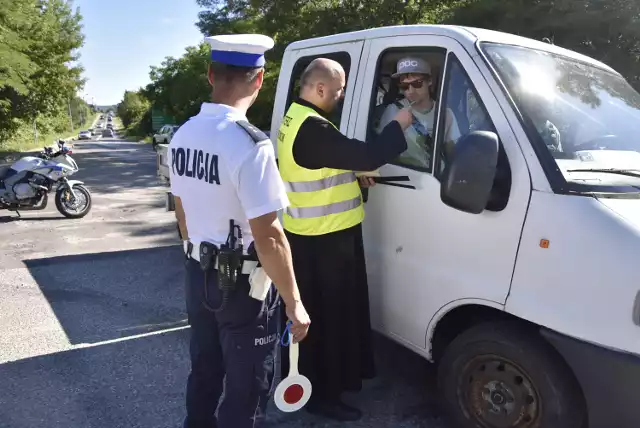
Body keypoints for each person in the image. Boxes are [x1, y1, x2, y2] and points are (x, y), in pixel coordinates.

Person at [169, 33, 311, 428]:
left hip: (197, 273)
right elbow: (268, 236)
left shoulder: (183, 135)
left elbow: (181, 210)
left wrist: (198, 256)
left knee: (205, 368)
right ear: (260, 79)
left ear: (211, 74)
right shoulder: (251, 145)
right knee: (246, 387)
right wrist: (293, 301)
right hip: (244, 287)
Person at [276, 57, 413, 421]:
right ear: (320, 88)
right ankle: (323, 395)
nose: (339, 97)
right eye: (337, 91)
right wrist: (398, 125)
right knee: (328, 323)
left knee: (329, 319)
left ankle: (328, 385)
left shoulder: (296, 118)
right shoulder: (312, 128)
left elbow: (324, 168)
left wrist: (353, 178)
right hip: (323, 241)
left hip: (317, 237)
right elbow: (366, 154)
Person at [378, 56, 461, 169]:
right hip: (407, 178)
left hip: (436, 179)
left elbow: (452, 154)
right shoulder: (394, 110)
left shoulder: (445, 114)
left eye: (417, 83)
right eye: (405, 86)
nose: (411, 91)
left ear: (430, 81)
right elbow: (382, 151)